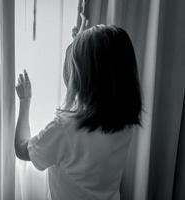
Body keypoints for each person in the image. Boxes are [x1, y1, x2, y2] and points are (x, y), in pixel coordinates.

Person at [14, 13, 142, 200]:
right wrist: (81, 45)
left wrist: (25, 102)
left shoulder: (65, 128)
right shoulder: (125, 120)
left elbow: (21, 149)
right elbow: (97, 78)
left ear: (83, 74)